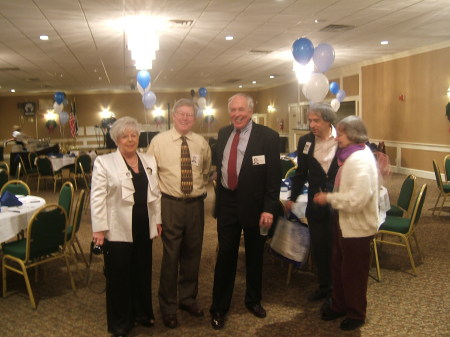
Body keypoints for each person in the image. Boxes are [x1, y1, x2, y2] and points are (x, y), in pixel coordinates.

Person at [209, 93, 280, 330]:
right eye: (233, 110)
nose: (237, 114)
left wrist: (269, 209)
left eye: (241, 110)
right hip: (228, 203)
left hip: (256, 207)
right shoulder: (223, 133)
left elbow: (274, 178)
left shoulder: (268, 137)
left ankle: (253, 300)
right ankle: (219, 307)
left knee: (255, 256)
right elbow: (220, 164)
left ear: (250, 111)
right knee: (225, 256)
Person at [91, 116, 162, 337]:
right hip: (117, 228)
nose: (130, 140)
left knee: (142, 271)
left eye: (134, 135)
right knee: (119, 276)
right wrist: (99, 229)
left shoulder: (148, 160)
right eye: (125, 136)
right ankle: (121, 322)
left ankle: (142, 313)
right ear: (116, 139)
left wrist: (158, 219)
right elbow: (97, 198)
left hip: (143, 225)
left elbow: (156, 194)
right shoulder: (104, 162)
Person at [147, 98, 211, 329]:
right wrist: (155, 214)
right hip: (170, 205)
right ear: (173, 116)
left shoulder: (202, 143)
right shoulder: (158, 142)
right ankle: (168, 305)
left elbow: (204, 171)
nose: (185, 118)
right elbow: (150, 178)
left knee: (193, 254)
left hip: (195, 205)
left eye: (189, 115)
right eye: (180, 114)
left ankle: (187, 299)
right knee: (171, 257)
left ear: (195, 118)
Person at [313, 115, 379, 331]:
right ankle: (340, 305)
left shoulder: (359, 159)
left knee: (353, 274)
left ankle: (356, 313)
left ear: (352, 135)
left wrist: (329, 198)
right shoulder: (352, 155)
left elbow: (357, 200)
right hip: (346, 224)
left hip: (357, 228)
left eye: (340, 134)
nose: (337, 138)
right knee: (340, 268)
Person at [286, 103, 339, 302]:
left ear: (328, 120)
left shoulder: (342, 139)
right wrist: (292, 197)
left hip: (338, 203)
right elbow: (301, 174)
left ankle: (338, 289)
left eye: (316, 120)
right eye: (310, 120)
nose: (312, 124)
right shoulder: (305, 141)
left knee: (337, 247)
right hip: (315, 203)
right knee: (319, 247)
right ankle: (324, 286)